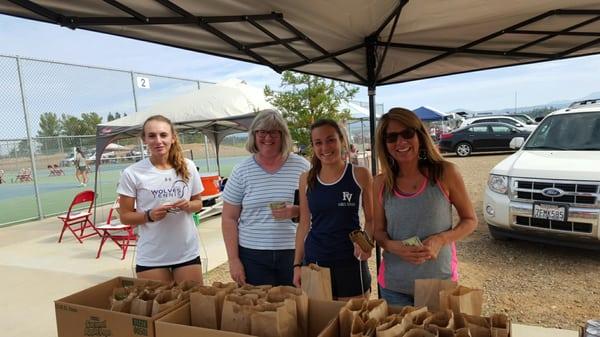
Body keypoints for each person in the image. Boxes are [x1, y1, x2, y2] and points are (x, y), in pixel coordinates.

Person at [373, 107, 477, 306]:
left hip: (439, 281)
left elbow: (470, 220)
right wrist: (392, 245)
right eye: (391, 137)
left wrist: (441, 239)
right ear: (384, 144)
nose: (400, 142)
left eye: (407, 133)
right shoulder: (379, 183)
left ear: (419, 135)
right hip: (394, 286)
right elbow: (378, 231)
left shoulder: (445, 173)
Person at [222, 110, 310, 286]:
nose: (267, 137)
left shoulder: (302, 166)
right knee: (257, 309)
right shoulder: (241, 171)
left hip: (294, 254)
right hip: (252, 256)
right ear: (254, 135)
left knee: (296, 307)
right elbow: (229, 218)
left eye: (273, 132)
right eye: (261, 132)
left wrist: (296, 211)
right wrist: (233, 260)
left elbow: (319, 208)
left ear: (282, 135)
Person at [117, 115, 204, 284]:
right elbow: (125, 216)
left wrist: (188, 205)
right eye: (151, 136)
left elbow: (198, 203)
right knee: (161, 309)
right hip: (152, 258)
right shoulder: (132, 172)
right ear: (144, 139)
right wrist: (149, 215)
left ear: (173, 138)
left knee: (193, 305)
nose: (158, 141)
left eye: (163, 135)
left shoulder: (188, 166)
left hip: (186, 252)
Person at [293, 119, 373, 300]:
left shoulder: (359, 174)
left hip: (350, 262)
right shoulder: (306, 178)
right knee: (321, 322)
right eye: (318, 143)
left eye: (330, 140)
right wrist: (297, 265)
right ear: (313, 146)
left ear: (341, 141)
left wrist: (365, 244)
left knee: (354, 324)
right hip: (316, 262)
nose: (325, 147)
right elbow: (304, 224)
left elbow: (371, 219)